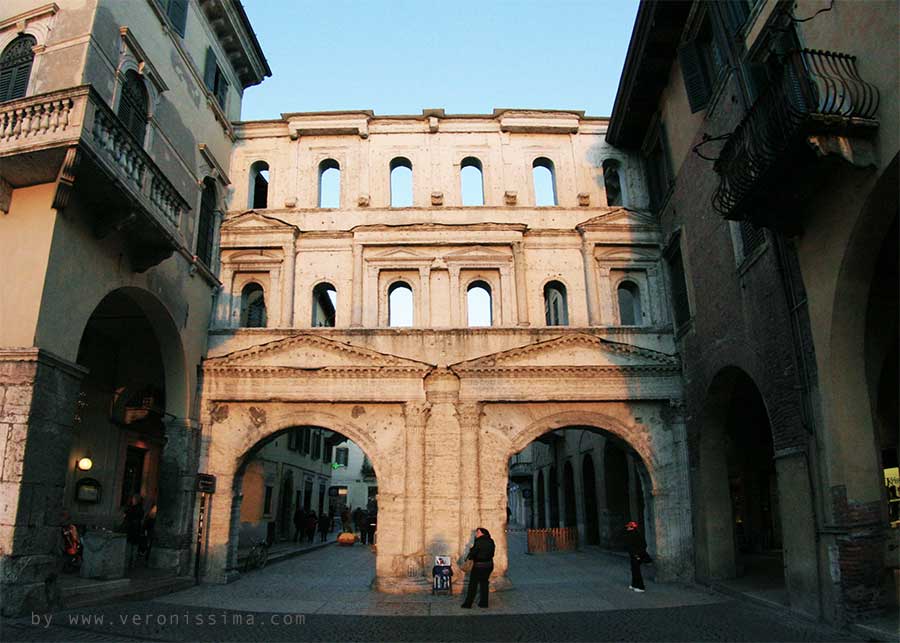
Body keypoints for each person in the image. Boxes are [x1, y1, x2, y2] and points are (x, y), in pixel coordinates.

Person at [461, 527, 495, 609]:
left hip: (479, 566)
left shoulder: (479, 541)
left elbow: (473, 554)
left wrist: (471, 551)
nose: (476, 534)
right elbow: (492, 553)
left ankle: (468, 603)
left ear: (482, 533)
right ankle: (484, 603)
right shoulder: (491, 541)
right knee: (484, 583)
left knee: (473, 584)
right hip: (489, 565)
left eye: (478, 532)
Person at [625, 520, 649, 593]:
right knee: (633, 570)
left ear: (632, 527)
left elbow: (643, 545)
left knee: (636, 570)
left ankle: (641, 587)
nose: (627, 528)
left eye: (628, 527)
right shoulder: (632, 534)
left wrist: (637, 555)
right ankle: (634, 584)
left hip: (637, 555)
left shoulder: (635, 535)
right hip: (633, 555)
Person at [123, 495, 144, 568]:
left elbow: (127, 516)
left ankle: (127, 563)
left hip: (132, 529)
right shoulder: (141, 509)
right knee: (134, 548)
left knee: (129, 547)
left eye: (133, 499)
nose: (132, 500)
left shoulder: (132, 509)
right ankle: (132, 563)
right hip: (137, 530)